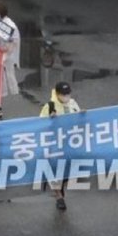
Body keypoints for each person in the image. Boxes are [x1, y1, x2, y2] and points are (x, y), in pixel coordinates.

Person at [38, 81, 80, 210]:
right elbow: (40, 124)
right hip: (55, 145)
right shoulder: (50, 106)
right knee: (56, 171)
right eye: (63, 94)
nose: (66, 96)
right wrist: (50, 119)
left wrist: (82, 115)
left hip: (70, 144)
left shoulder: (72, 104)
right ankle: (59, 197)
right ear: (57, 93)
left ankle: (60, 187)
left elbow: (78, 120)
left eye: (67, 93)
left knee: (67, 173)